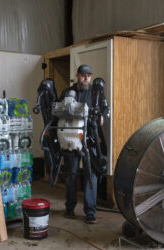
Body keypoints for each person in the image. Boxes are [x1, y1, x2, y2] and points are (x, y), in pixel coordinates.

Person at [59, 64, 110, 224]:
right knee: (71, 174)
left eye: (88, 75)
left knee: (91, 175)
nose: (86, 78)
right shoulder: (68, 93)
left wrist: (103, 117)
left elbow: (106, 110)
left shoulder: (96, 93)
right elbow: (59, 111)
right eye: (83, 75)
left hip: (91, 139)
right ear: (77, 76)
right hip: (72, 138)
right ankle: (70, 209)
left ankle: (90, 213)